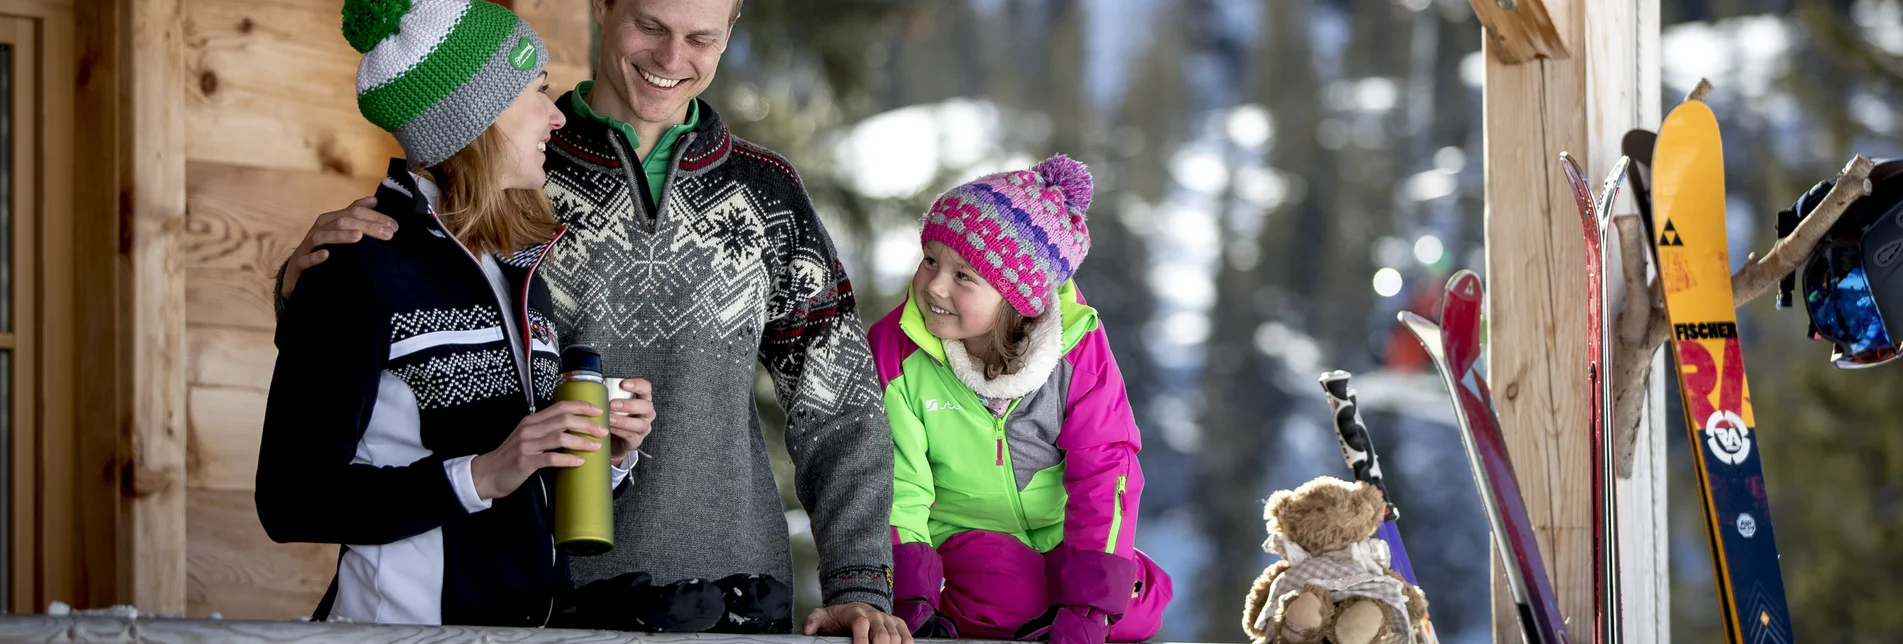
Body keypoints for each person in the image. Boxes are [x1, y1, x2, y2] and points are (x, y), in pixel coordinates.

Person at [271, 0, 905, 641]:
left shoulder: (766, 192)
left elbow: (839, 403)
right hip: (551, 603)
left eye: (701, 38)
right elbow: (383, 338)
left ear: (730, 32)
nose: (671, 59)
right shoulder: (515, 185)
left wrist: (858, 584)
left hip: (738, 598)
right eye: (651, 26)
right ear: (601, 6)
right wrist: (305, 285)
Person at [254, 0, 650, 627]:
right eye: (537, 91)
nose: (555, 118)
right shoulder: (355, 267)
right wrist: (485, 472)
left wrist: (608, 454)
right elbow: (291, 501)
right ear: (477, 118)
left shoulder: (519, 272)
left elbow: (520, 482)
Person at [867, 156, 1173, 644]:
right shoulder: (898, 351)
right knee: (1002, 598)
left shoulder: (1077, 354)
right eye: (930, 261)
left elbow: (1106, 471)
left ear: (1018, 299)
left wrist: (1089, 609)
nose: (935, 286)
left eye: (964, 276)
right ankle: (984, 614)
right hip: (961, 530)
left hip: (1056, 528)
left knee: (1135, 606)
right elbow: (897, 482)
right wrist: (911, 598)